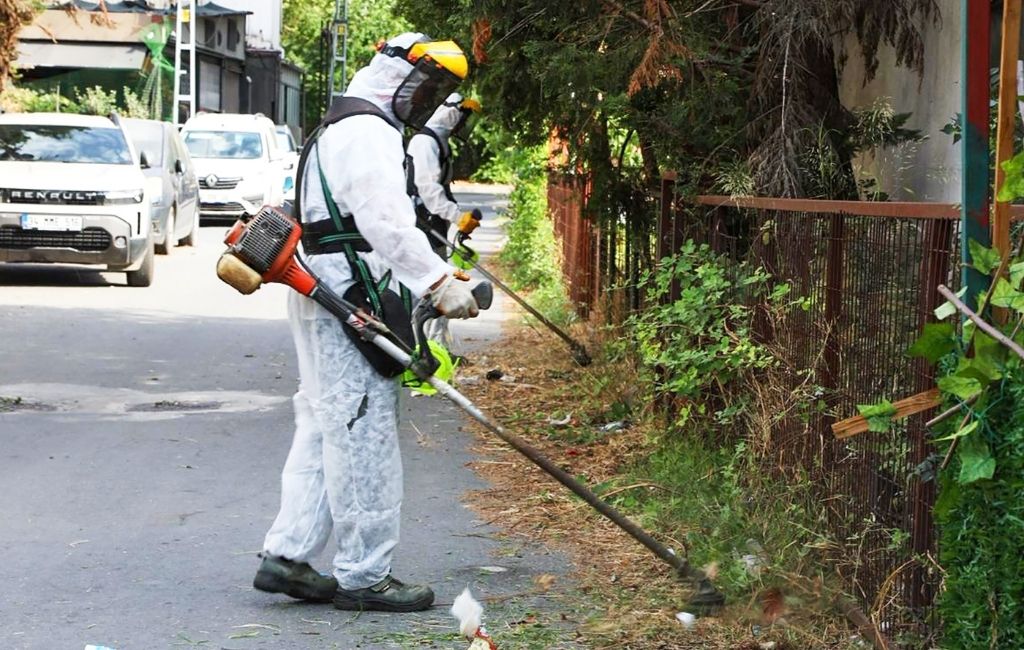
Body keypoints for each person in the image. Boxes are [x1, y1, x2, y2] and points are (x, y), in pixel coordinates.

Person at [252, 33, 479, 613]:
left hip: (324, 287)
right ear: (395, 74)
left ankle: (288, 555)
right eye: (426, 85)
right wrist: (438, 282)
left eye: (437, 92)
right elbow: (386, 223)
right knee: (361, 429)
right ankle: (364, 574)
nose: (427, 99)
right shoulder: (368, 131)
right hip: (348, 294)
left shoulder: (340, 125)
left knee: (325, 421)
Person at [406, 93, 483, 346]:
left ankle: (438, 349)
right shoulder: (424, 143)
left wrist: (458, 219)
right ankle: (425, 350)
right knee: (434, 288)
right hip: (422, 224)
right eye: (462, 118)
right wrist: (457, 217)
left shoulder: (439, 142)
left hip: (433, 223)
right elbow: (429, 192)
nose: (462, 125)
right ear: (450, 112)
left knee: (440, 287)